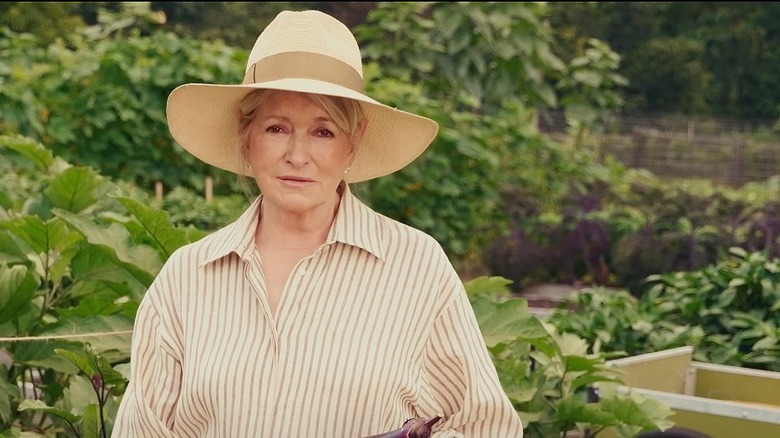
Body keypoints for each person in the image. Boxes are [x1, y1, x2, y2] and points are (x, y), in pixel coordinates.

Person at [112, 9, 524, 438]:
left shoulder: (416, 266)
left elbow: (485, 426)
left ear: (353, 143)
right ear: (246, 138)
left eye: (324, 132)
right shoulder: (186, 277)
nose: (297, 154)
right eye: (276, 128)